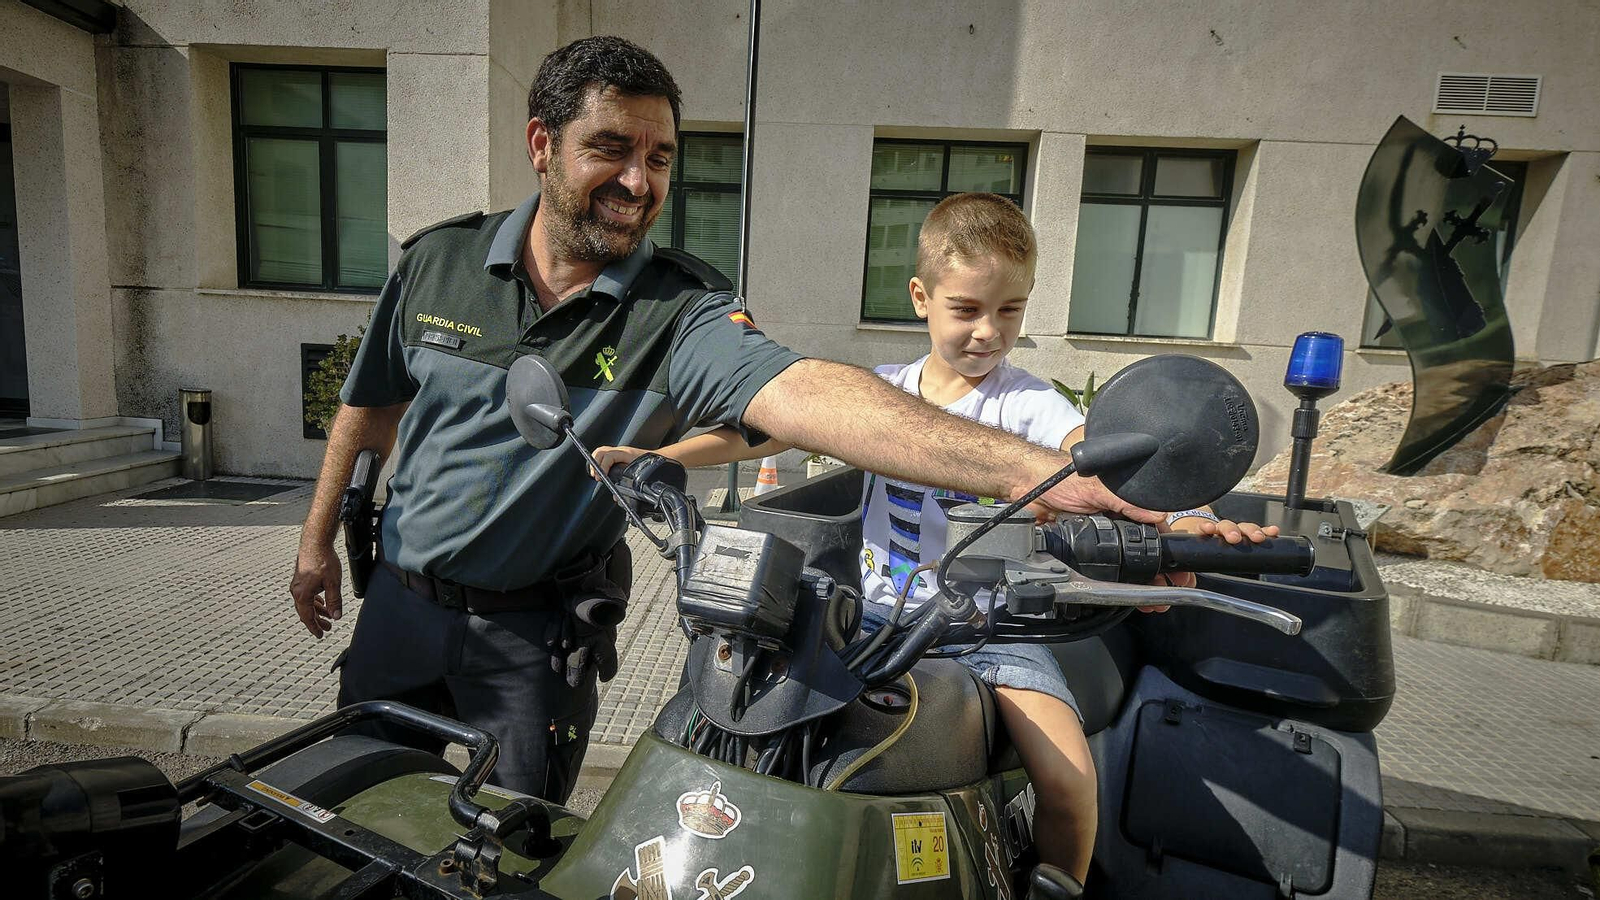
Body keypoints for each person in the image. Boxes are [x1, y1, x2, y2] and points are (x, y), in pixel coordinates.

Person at [289, 37, 1167, 806]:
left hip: (532, 639)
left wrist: (1037, 474)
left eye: (661, 157)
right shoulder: (436, 262)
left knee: (515, 844)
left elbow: (798, 394)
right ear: (541, 147)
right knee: (349, 813)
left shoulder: (682, 307)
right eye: (611, 149)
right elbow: (367, 411)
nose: (640, 182)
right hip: (398, 606)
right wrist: (314, 542)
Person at [590, 192, 1277, 881]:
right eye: (968, 309)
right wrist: (665, 459)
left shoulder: (1027, 403)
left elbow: (1099, 463)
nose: (989, 332)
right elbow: (763, 430)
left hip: (994, 631)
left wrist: (1187, 521)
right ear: (921, 297)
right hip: (873, 619)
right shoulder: (884, 394)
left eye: (1009, 311)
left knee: (1068, 781)